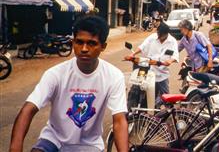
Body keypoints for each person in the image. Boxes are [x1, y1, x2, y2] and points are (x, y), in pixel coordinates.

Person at [10, 16, 128, 152]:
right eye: (79, 42)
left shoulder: (114, 76)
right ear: (73, 43)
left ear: (103, 46)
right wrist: (15, 148)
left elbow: (119, 121)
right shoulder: (56, 74)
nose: (84, 48)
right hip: (54, 140)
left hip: (90, 145)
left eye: (92, 43)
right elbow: (28, 109)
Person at [125, 23, 179, 106]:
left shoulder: (172, 41)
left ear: (166, 34)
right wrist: (133, 54)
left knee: (167, 97)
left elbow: (175, 55)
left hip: (162, 73)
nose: (158, 37)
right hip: (148, 68)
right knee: (136, 87)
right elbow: (143, 46)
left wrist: (170, 61)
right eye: (158, 34)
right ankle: (132, 109)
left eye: (161, 36)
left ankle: (170, 113)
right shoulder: (152, 37)